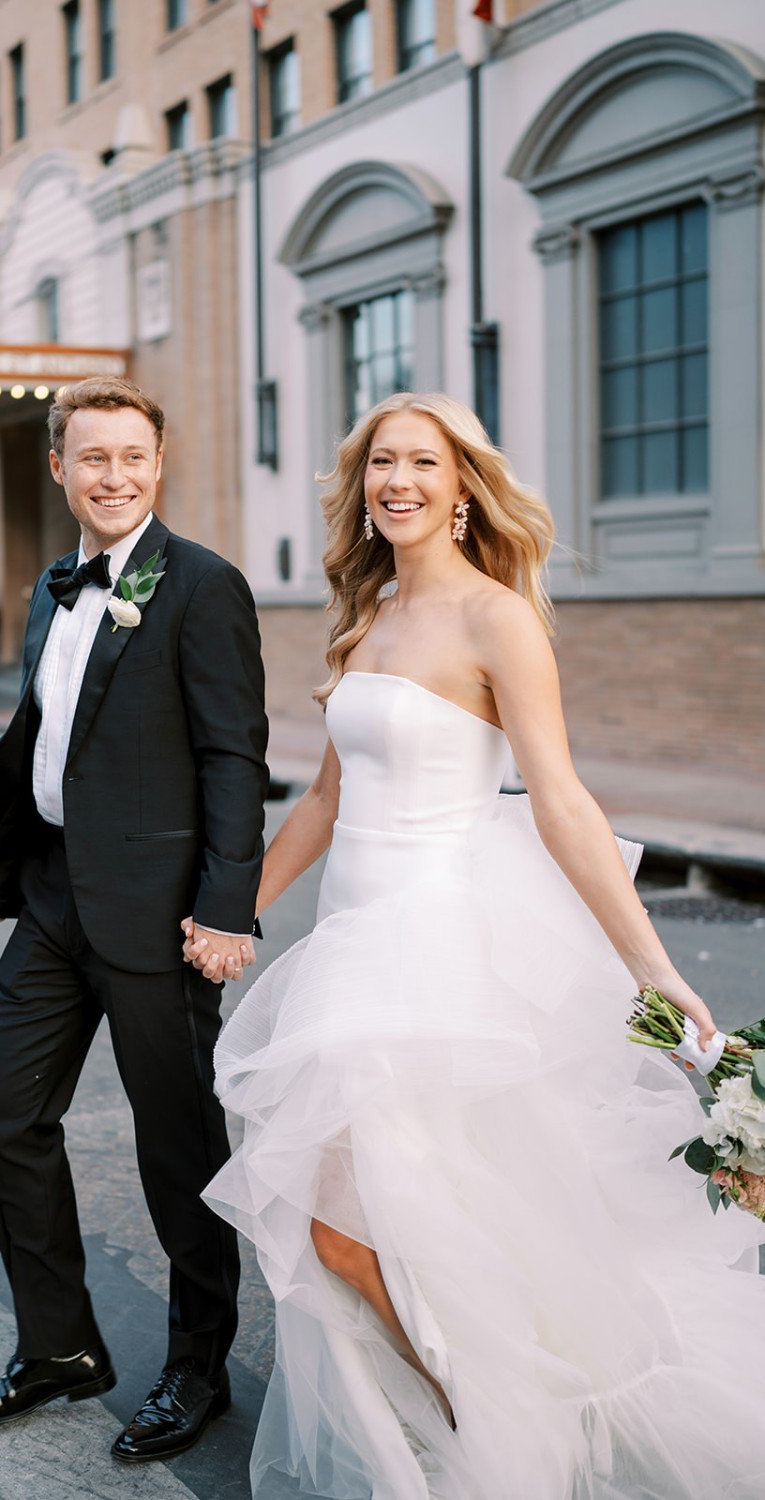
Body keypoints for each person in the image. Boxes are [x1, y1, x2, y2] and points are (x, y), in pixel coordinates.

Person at [195, 392, 765, 1499]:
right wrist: (237, 910)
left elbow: (558, 802)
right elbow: (321, 803)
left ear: (462, 490)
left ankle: (495, 1420)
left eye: (422, 463)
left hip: (441, 950)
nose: (396, 481)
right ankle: (486, 1408)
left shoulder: (499, 619)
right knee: (368, 1224)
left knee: (360, 1218)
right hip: (350, 948)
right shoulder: (364, 618)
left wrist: (654, 966)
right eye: (380, 464)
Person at [0, 377, 269, 1463]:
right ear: (59, 469)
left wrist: (228, 910)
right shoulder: (50, 587)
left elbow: (234, 760)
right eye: (93, 458)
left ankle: (196, 1369)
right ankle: (60, 1348)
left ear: (157, 465)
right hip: (50, 901)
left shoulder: (204, 587)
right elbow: (44, 743)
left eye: (132, 456)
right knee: (2, 1113)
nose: (114, 475)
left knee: (178, 1152)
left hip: (163, 919)